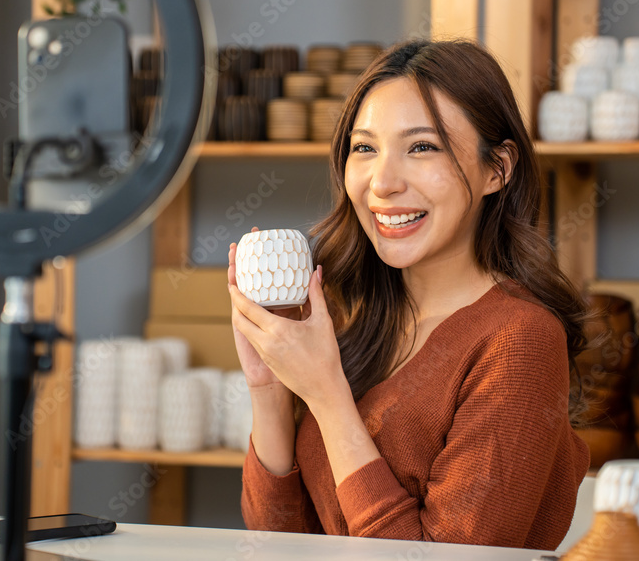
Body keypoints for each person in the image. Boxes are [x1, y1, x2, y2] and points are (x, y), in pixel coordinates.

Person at [226, 39, 590, 550]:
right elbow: (280, 542)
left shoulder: (520, 342)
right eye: (364, 148)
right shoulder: (358, 317)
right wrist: (270, 388)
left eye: (422, 147)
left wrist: (328, 397)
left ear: (497, 169)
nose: (382, 183)